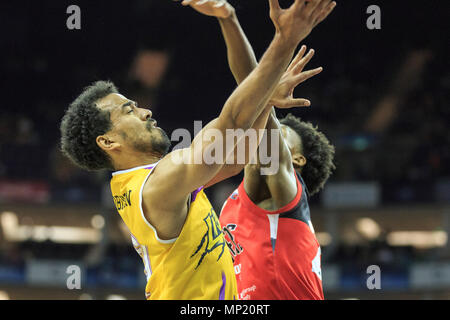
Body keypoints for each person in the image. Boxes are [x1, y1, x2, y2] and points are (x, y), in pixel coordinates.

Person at [60, 0, 334, 300]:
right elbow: (232, 121)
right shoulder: (162, 182)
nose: (145, 112)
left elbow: (237, 157)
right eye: (129, 110)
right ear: (109, 142)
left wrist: (265, 95)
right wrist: (286, 40)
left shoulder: (137, 182)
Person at [198, 1, 337, 300]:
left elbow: (252, 91)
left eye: (278, 131)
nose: (263, 131)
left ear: (296, 160)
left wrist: (282, 39)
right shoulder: (238, 201)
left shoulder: (281, 191)